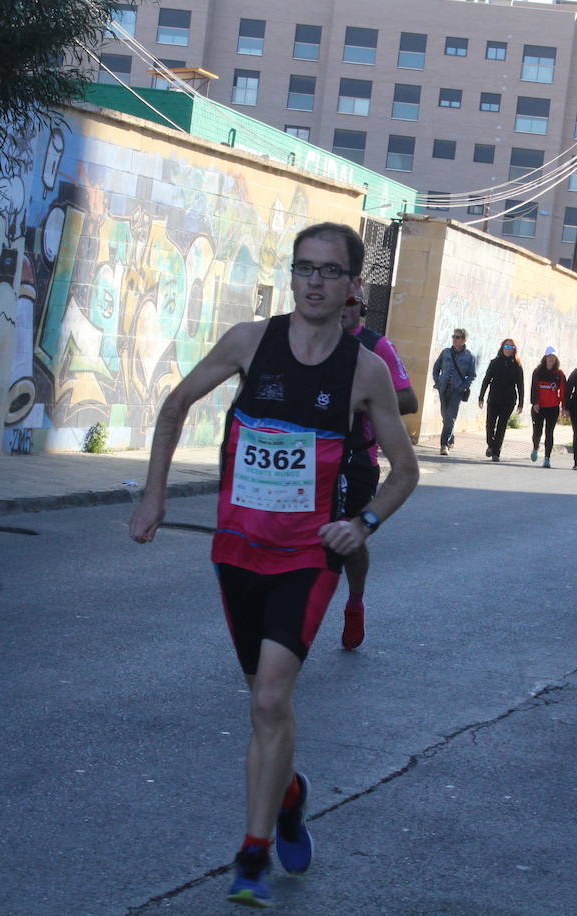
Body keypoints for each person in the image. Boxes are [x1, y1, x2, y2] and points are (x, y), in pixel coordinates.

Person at [128, 223, 419, 907]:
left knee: (269, 698)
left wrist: (363, 522)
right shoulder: (248, 342)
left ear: (353, 287)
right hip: (237, 549)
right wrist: (154, 494)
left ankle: (252, 854)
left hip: (306, 557)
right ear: (291, 277)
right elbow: (175, 405)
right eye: (303, 269)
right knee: (265, 705)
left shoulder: (365, 371)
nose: (314, 282)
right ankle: (288, 796)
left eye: (329, 271)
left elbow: (405, 471)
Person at [336, 293, 420, 651]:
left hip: (357, 460)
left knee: (351, 541)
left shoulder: (376, 347)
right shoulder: (308, 339)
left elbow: (408, 399)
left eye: (351, 301)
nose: (343, 307)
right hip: (309, 456)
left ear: (361, 307)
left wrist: (361, 397)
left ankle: (355, 601)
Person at [478, 338, 525, 462]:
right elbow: (487, 379)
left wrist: (521, 403)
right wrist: (481, 396)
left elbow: (520, 385)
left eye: (511, 347)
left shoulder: (517, 365)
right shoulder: (495, 362)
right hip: (493, 399)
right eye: (506, 346)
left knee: (501, 426)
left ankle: (496, 452)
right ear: (502, 347)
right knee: (490, 424)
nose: (508, 349)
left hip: (508, 400)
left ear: (514, 349)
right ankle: (491, 444)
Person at [432, 328, 477, 455]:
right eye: (454, 336)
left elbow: (472, 375)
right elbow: (436, 368)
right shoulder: (445, 352)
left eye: (457, 337)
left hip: (457, 391)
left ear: (464, 340)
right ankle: (451, 437)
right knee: (445, 417)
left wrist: (463, 386)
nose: (454, 339)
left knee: (450, 418)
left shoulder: (469, 356)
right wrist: (438, 381)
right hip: (443, 389)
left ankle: (443, 445)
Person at [530, 348, 566, 467]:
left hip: (553, 408)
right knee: (537, 432)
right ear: (545, 358)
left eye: (553, 357)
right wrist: (535, 403)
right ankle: (535, 447)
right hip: (538, 408)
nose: (551, 359)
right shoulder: (538, 371)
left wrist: (564, 407)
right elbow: (534, 388)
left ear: (556, 359)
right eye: (549, 356)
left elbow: (563, 391)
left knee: (549, 433)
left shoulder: (559, 374)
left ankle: (547, 458)